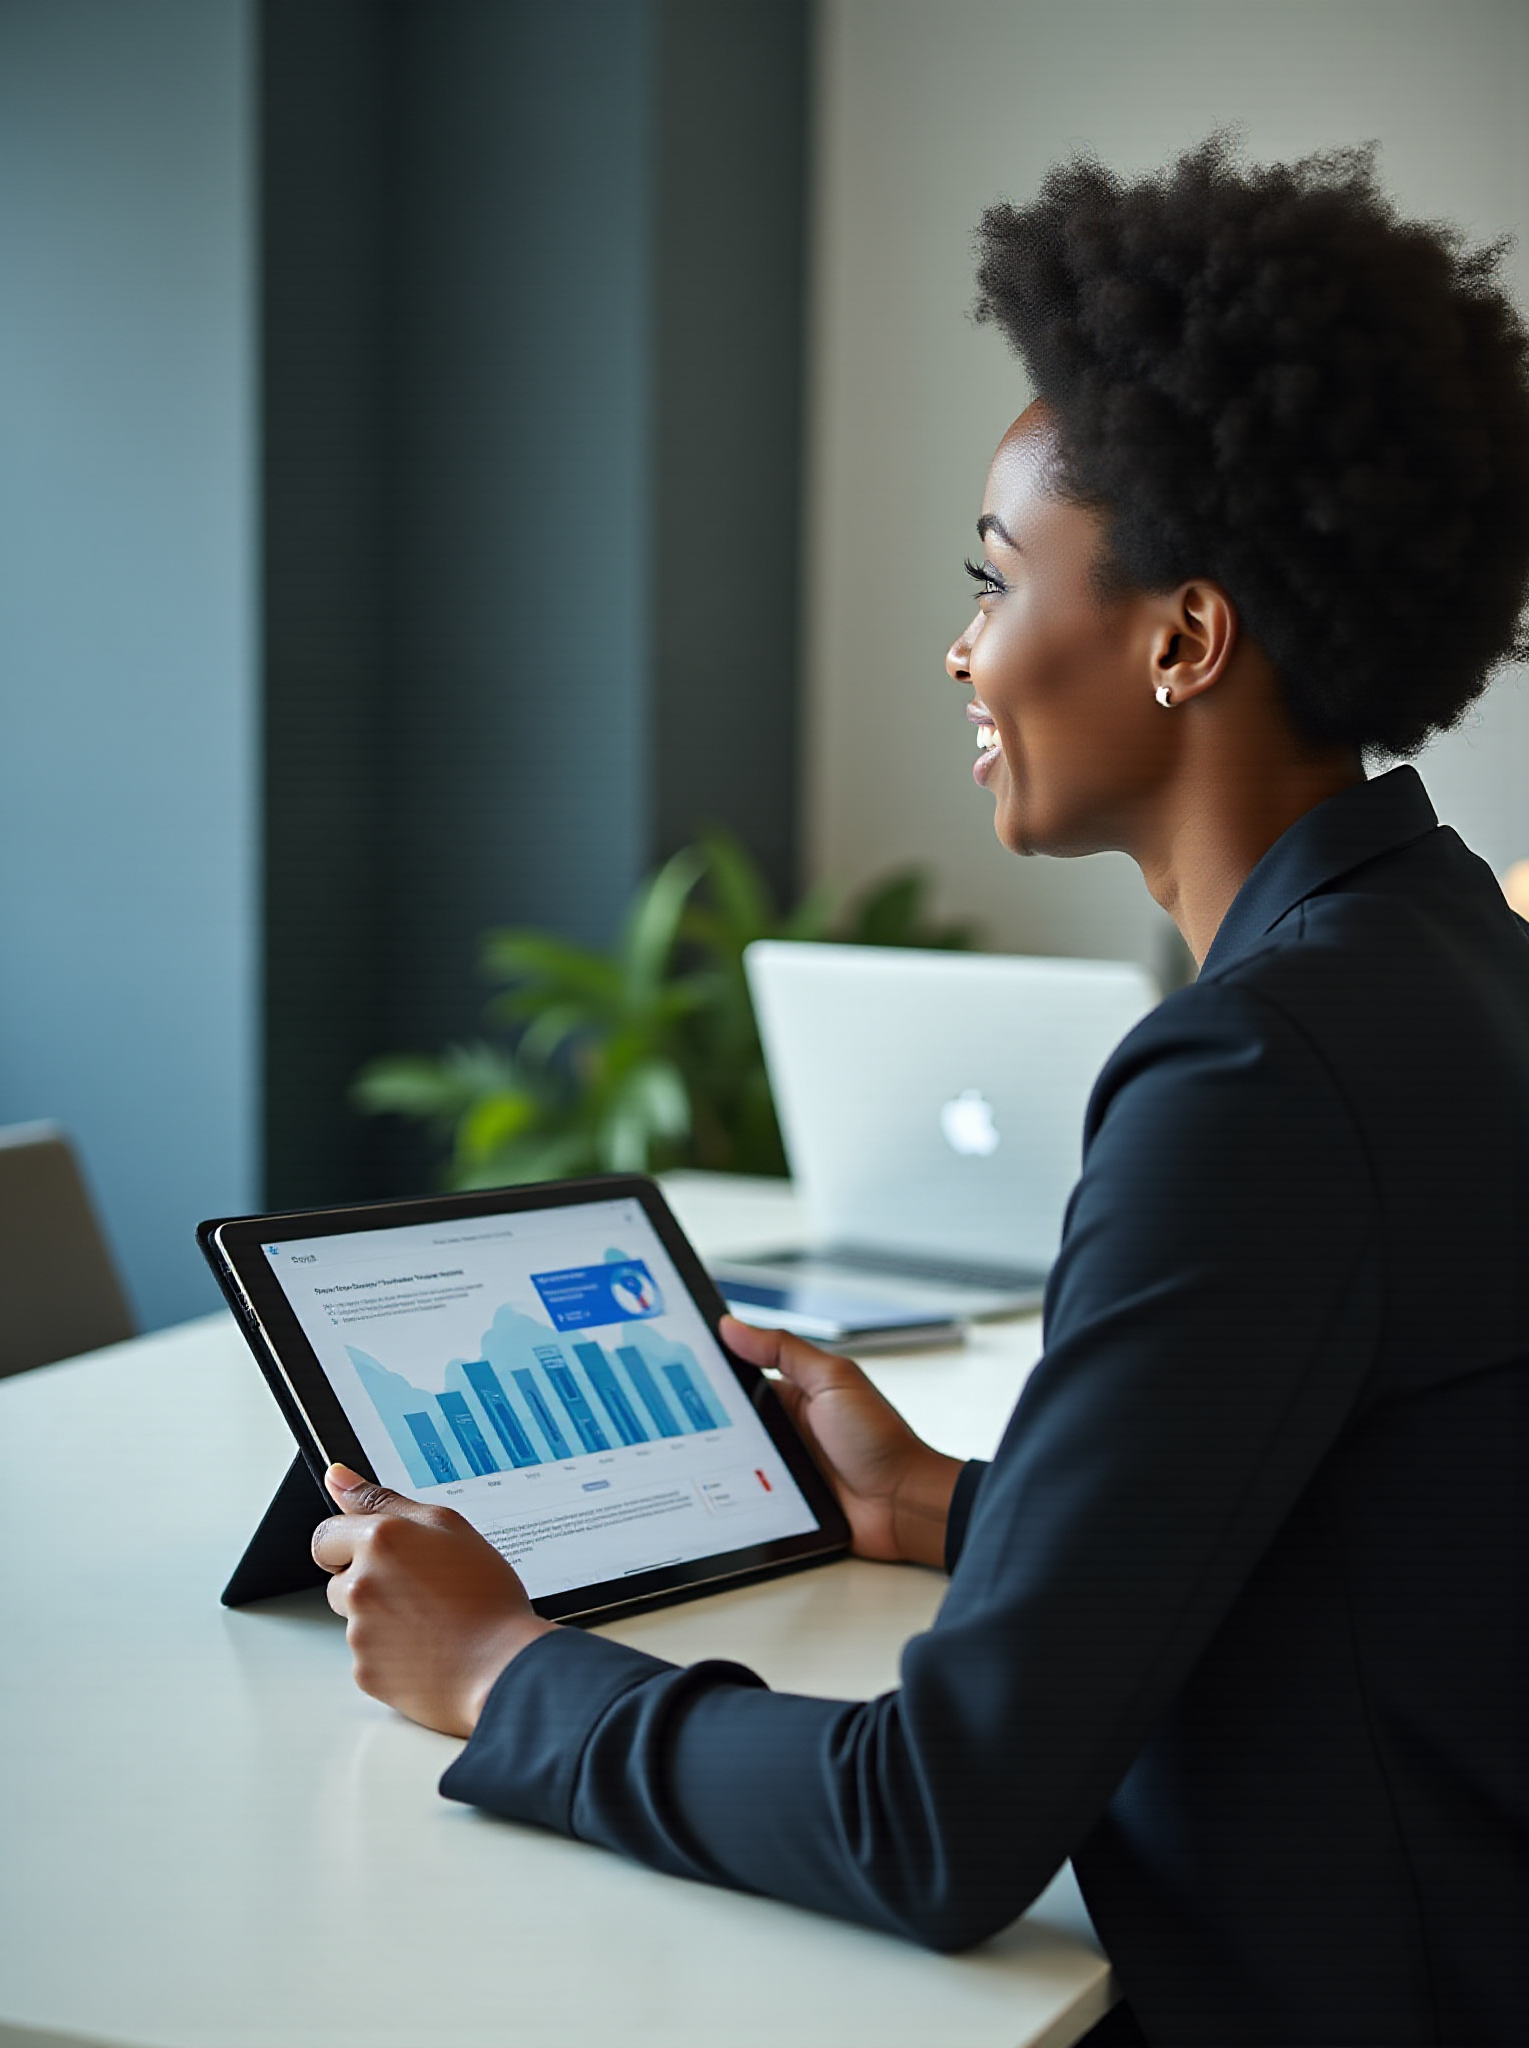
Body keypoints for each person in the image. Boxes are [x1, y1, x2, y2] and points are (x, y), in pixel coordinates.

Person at [310, 137, 1529, 2045]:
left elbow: (933, 1825)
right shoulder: (1447, 950)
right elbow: (1364, 1526)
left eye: (995, 579)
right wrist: (962, 1506)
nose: (962, 649)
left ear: (1183, 638)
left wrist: (503, 1668)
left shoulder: (1257, 1076)